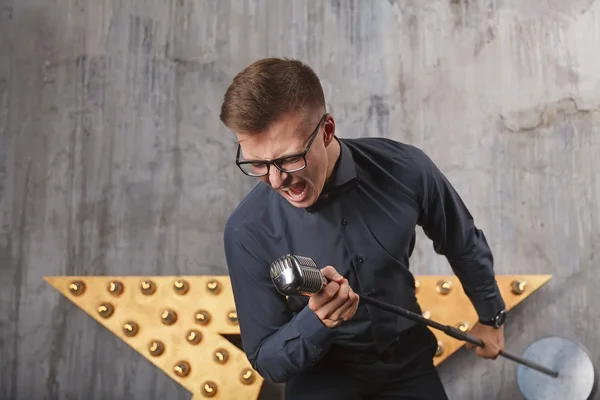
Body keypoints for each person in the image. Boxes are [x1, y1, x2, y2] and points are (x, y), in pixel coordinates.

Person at [219, 57, 507, 399]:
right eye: (257, 164)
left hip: (409, 362)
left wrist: (491, 316)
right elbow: (266, 359)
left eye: (288, 158)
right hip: (321, 375)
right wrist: (317, 322)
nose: (277, 179)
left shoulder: (406, 169)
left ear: (326, 131)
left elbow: (461, 241)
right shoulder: (246, 231)